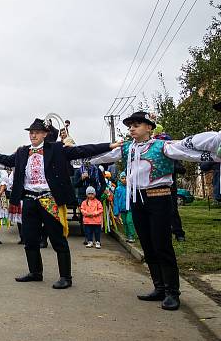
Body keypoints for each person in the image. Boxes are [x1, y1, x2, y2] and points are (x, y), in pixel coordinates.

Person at [90, 111, 220, 311]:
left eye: (137, 125)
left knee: (162, 245)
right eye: (130, 125)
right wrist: (75, 154)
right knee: (148, 245)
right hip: (137, 200)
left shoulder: (162, 146)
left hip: (158, 199)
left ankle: (172, 292)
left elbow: (188, 149)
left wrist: (215, 147)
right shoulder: (126, 149)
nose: (132, 128)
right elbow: (101, 156)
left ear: (149, 127)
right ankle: (159, 287)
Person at [0, 118, 117, 290]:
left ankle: (66, 277)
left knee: (58, 239)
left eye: (36, 132)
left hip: (50, 199)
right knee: (29, 238)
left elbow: (82, 150)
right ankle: (35, 272)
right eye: (31, 132)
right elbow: (6, 160)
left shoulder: (56, 149)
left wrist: (109, 146)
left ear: (45, 134)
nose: (33, 135)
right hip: (29, 199)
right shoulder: (22, 152)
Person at [113, 172, 136, 242]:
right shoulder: (118, 189)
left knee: (129, 221)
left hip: (130, 208)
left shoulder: (130, 187)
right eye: (122, 178)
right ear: (120, 179)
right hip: (122, 209)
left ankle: (132, 235)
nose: (124, 179)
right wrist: (116, 212)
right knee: (125, 222)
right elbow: (116, 200)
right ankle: (128, 235)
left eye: (125, 178)